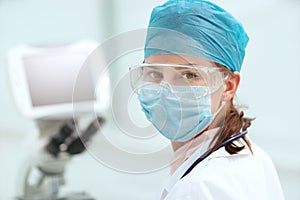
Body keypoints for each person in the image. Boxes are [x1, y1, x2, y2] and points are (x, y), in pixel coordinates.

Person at [129, 0, 285, 199]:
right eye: (154, 73)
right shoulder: (254, 155)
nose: (166, 91)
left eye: (188, 75)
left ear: (228, 86)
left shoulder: (200, 187)